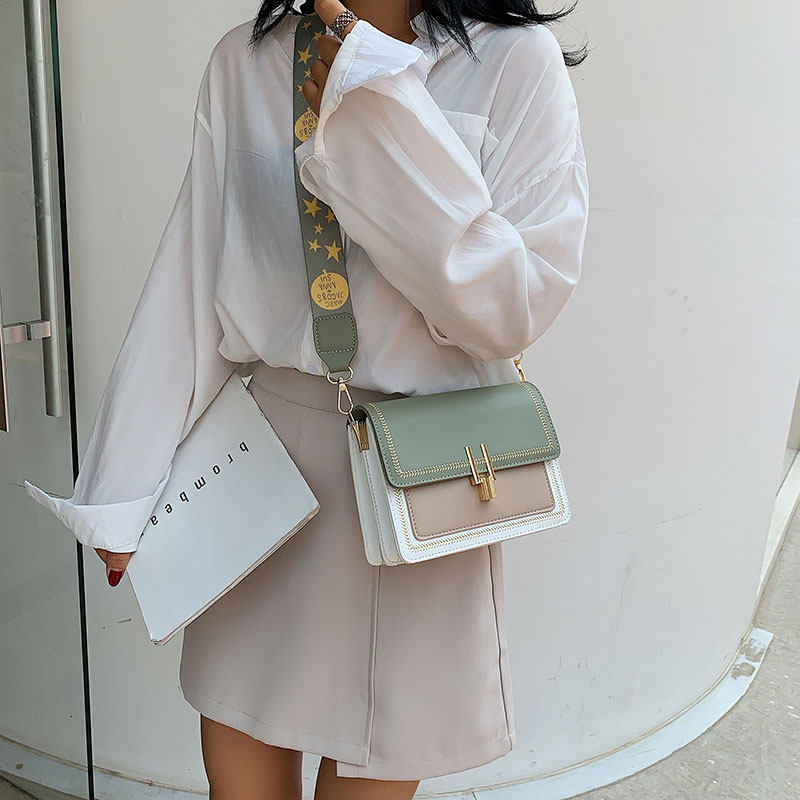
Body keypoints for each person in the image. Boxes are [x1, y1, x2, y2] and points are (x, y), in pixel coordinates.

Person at [25, 0, 589, 796]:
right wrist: (124, 486)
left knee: (385, 749)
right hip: (266, 471)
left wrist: (382, 116)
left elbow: (508, 309)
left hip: (422, 478)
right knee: (240, 750)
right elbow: (191, 284)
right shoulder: (246, 61)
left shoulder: (513, 62)